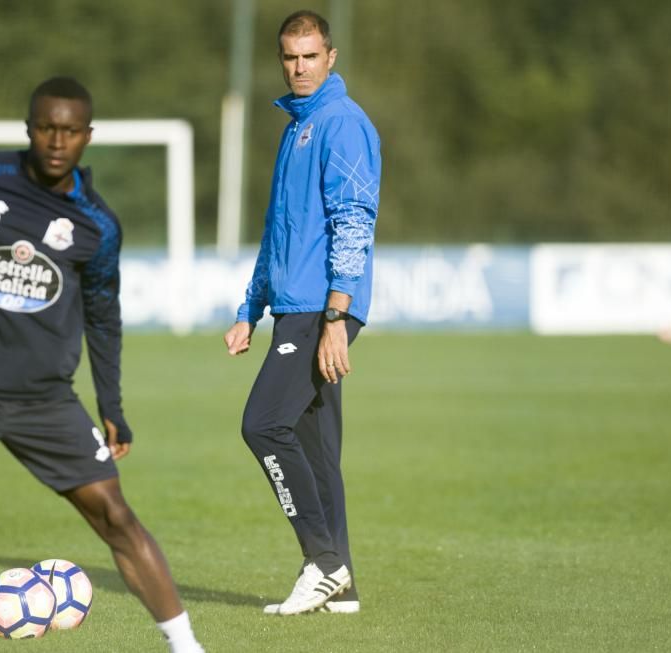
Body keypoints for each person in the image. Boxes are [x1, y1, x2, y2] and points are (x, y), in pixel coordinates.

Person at [0, 76, 204, 653]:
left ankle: (185, 646)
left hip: (44, 401)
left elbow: (103, 317)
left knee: (116, 518)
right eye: (46, 128)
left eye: (70, 131)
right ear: (29, 128)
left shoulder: (96, 225)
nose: (56, 141)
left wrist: (113, 407)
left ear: (87, 137)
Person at [223, 10, 381, 616]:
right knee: (316, 451)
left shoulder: (341, 124)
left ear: (331, 57)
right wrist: (250, 309)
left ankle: (323, 562)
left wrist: (337, 317)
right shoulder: (298, 127)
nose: (300, 67)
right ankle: (344, 586)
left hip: (323, 308)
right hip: (296, 307)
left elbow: (353, 221)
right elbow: (277, 234)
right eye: (291, 57)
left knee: (262, 425)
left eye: (311, 56)